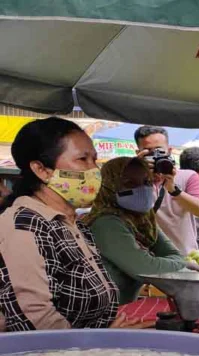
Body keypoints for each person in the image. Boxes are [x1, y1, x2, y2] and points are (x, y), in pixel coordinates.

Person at [0, 117, 118, 331]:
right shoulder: (24, 227)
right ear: (42, 170)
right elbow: (34, 320)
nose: (94, 170)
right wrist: (99, 342)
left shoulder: (74, 225)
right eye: (82, 159)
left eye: (94, 159)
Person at [85, 157, 186, 304]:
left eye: (147, 182)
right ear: (109, 186)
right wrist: (180, 264)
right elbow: (147, 269)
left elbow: (174, 255)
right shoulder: (105, 223)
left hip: (121, 314)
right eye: (129, 184)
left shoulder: (143, 221)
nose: (141, 188)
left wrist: (172, 262)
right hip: (99, 320)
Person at [133, 126, 199, 254]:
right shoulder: (131, 180)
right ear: (138, 153)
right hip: (145, 259)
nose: (155, 157)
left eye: (159, 151)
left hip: (184, 258)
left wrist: (173, 189)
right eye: (148, 152)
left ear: (169, 151)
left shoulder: (188, 176)